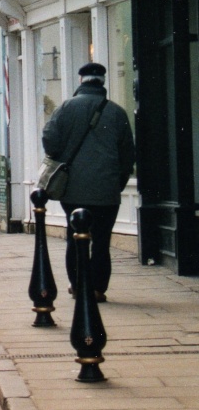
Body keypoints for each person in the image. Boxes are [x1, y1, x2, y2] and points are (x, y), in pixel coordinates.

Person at [42, 62, 135, 303]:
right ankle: (97, 289)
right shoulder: (117, 112)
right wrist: (118, 182)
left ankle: (78, 285)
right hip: (106, 190)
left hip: (72, 189)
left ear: (80, 80)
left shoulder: (64, 108)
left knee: (75, 237)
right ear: (102, 82)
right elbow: (128, 155)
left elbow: (50, 143)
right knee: (102, 241)